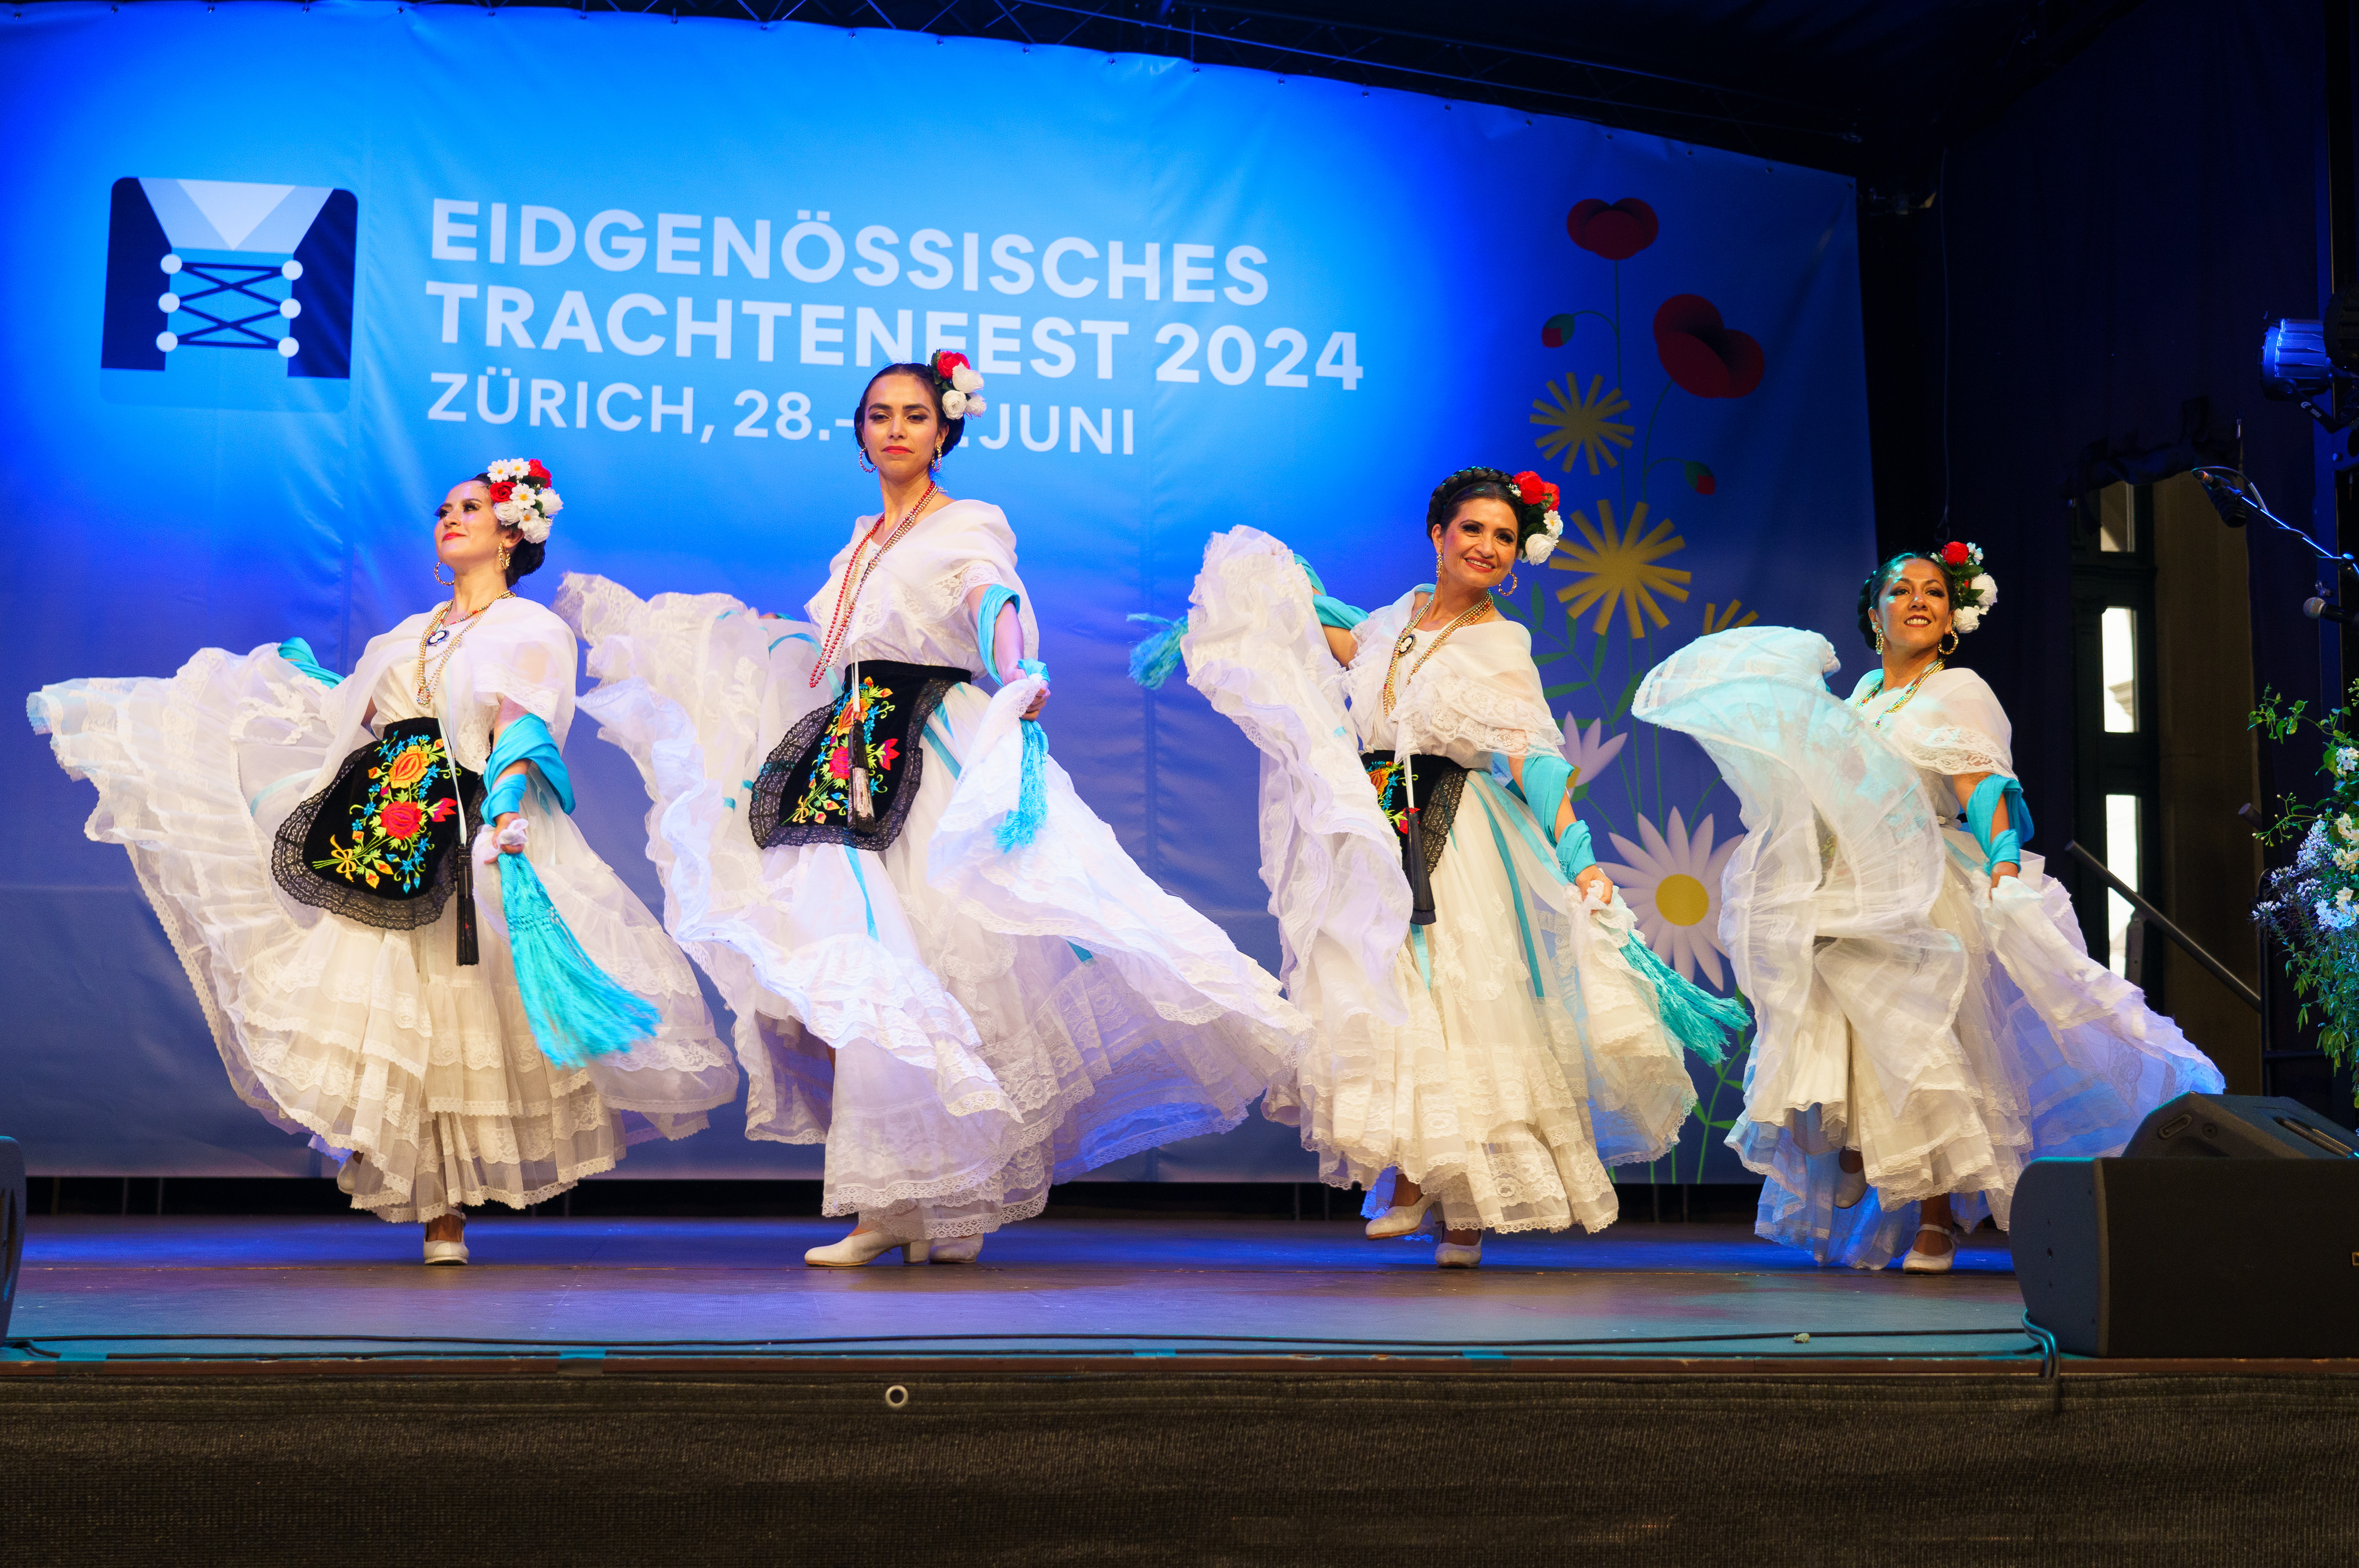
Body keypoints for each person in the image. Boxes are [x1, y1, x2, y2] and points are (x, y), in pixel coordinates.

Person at [561, 353, 1307, 1266]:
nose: (896, 429)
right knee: (861, 964)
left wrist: (1019, 666)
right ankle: (926, 1207)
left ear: (945, 430)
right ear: (861, 433)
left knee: (938, 958)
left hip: (927, 741)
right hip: (852, 747)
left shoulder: (967, 521)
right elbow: (837, 654)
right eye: (880, 414)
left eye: (915, 414)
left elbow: (992, 597)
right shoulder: (862, 540)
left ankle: (927, 1207)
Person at [30, 460, 739, 1263]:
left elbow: (521, 723)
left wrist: (506, 805)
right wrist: (306, 688)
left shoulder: (529, 628)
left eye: (471, 508)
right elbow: (358, 720)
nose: (450, 518)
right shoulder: (407, 634)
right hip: (387, 828)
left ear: (512, 533)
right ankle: (436, 1202)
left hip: (468, 818)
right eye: (444, 509)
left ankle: (449, 1215)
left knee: (461, 1001)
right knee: (396, 1006)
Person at [1149, 467, 1741, 1267]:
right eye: (1473, 530)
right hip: (1377, 827)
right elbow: (1341, 642)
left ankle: (1443, 1197)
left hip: (1455, 830)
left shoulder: (1501, 644)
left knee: (1457, 999)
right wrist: (1255, 600)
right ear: (1439, 534)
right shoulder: (1396, 620)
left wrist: (1580, 860)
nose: (1488, 547)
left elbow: (1533, 758)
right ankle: (1446, 1200)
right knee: (1386, 992)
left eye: (1505, 537)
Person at [1633, 545, 2225, 1270]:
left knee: (1929, 1046)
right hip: (1848, 884)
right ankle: (1854, 1143)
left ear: (1950, 619)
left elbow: (1984, 786)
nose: (1919, 600)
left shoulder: (1960, 690)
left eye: (1936, 593)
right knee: (1835, 1022)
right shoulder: (1858, 700)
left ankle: (1935, 1223)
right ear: (1874, 613)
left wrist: (2002, 861)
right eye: (1902, 590)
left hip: (1925, 883)